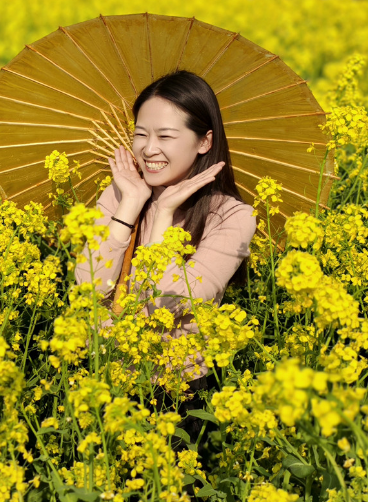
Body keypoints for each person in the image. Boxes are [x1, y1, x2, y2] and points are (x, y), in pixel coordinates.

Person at [74, 70, 257, 392]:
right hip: (106, 380)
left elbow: (170, 303)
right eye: (141, 134)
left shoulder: (231, 217)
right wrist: (131, 204)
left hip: (177, 389)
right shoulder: (121, 193)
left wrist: (163, 215)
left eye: (165, 136)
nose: (148, 149)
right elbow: (89, 289)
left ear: (204, 141)